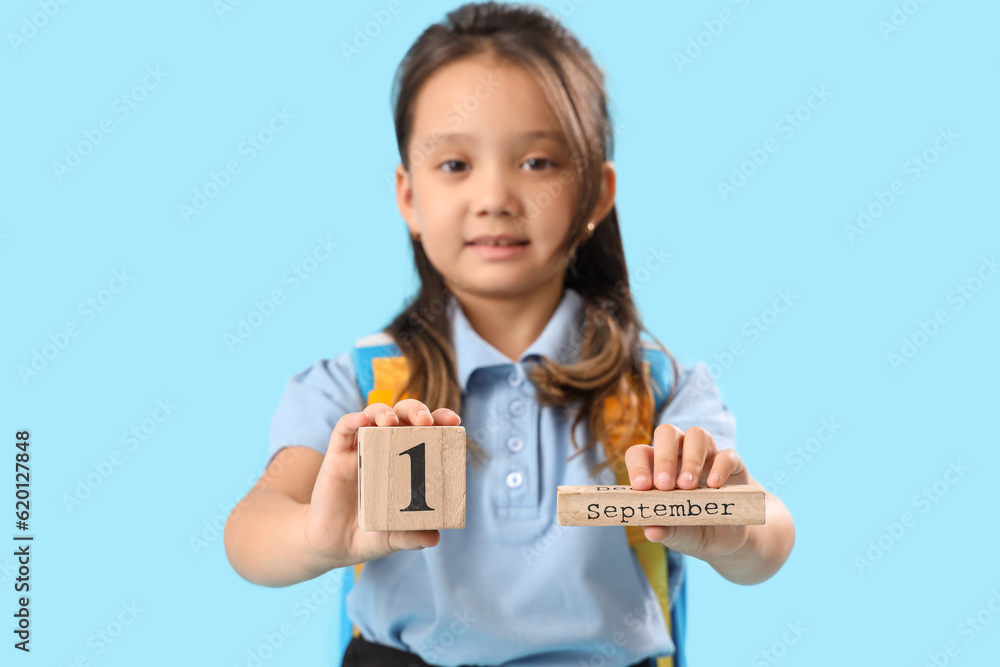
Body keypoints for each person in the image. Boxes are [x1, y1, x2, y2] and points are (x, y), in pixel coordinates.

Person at [223, 2, 796, 666]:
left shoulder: (660, 385)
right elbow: (251, 528)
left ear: (597, 194)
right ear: (408, 197)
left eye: (538, 162)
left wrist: (730, 531)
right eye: (456, 165)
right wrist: (314, 536)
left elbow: (771, 533)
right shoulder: (357, 385)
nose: (494, 195)